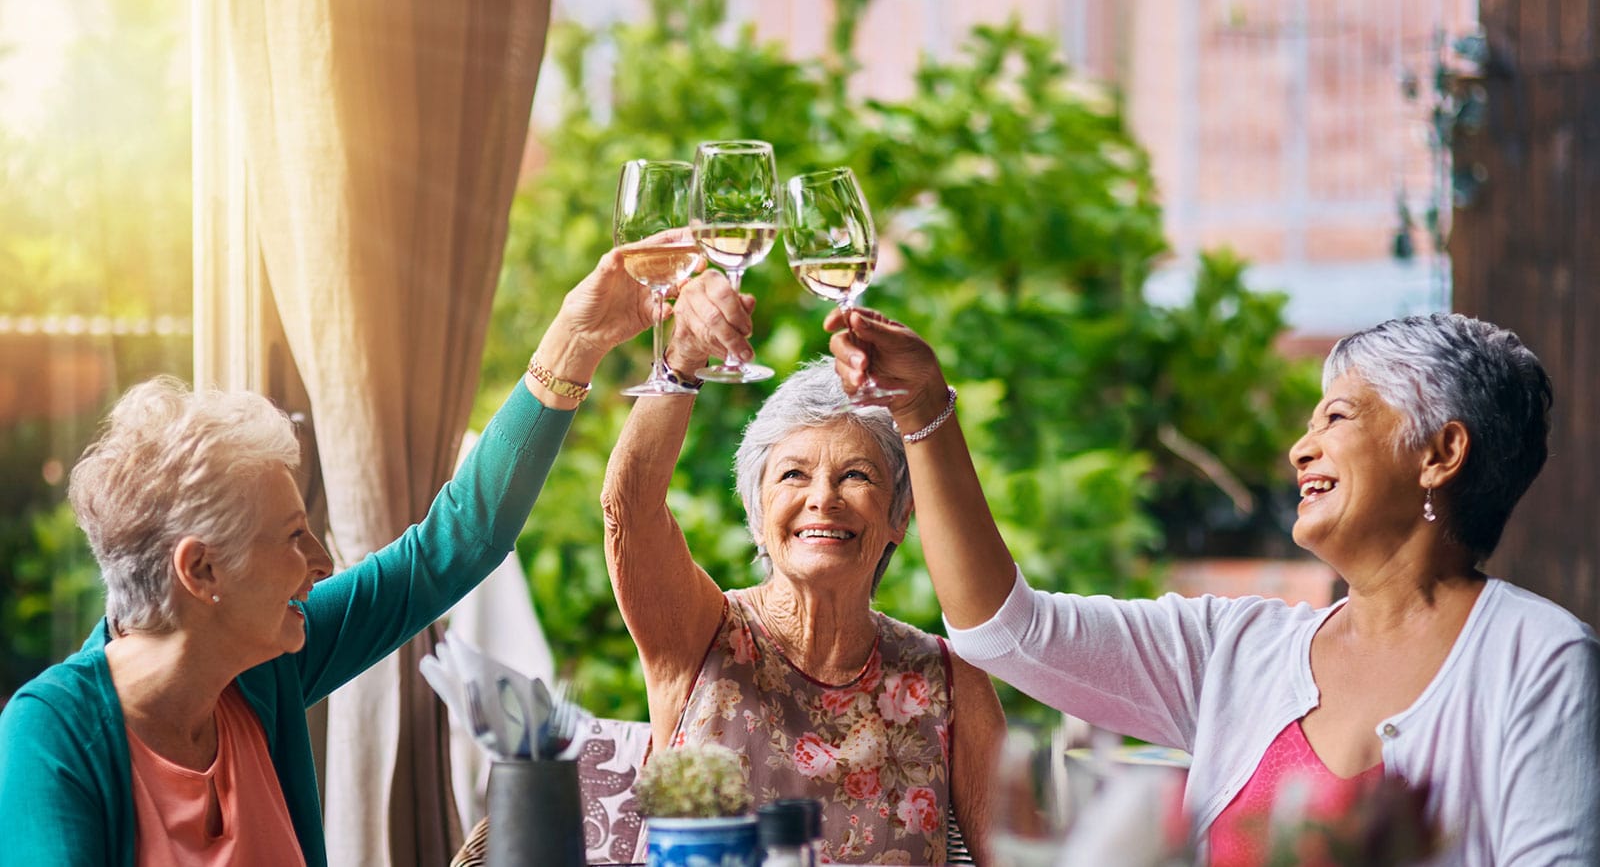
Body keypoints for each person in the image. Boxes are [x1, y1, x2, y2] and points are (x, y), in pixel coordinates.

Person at [826, 308, 1600, 866]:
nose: (1302, 447)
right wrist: (923, 412)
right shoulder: (1241, 647)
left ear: (1441, 453)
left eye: (1338, 416)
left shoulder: (1542, 662)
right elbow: (1005, 631)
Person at [0, 242, 665, 867]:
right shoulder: (53, 736)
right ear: (201, 571)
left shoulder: (258, 669)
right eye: (293, 535)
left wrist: (578, 339)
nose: (320, 561)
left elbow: (457, 544)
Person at [599, 274, 1004, 865]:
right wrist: (684, 359)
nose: (824, 498)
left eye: (857, 476)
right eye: (793, 474)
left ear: (900, 517)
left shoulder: (952, 681)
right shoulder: (700, 634)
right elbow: (628, 511)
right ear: (758, 515)